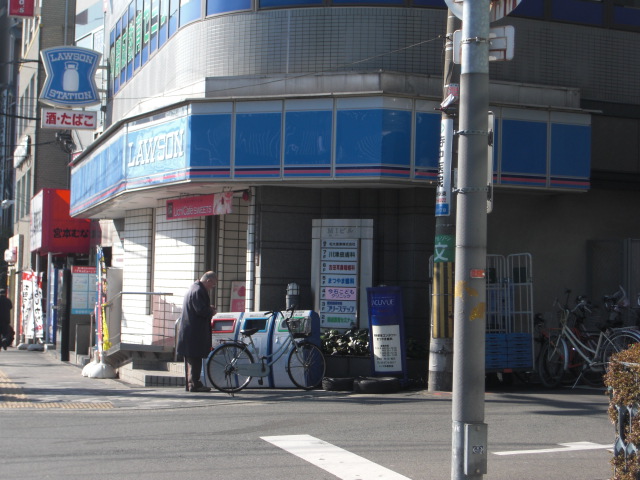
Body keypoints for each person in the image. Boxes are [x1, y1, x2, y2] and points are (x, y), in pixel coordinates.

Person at [177, 272, 217, 392]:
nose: (212, 287)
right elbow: (200, 310)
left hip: (189, 330)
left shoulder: (193, 288)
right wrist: (211, 311)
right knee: (195, 357)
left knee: (191, 358)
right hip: (195, 330)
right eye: (213, 284)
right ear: (208, 281)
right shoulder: (199, 291)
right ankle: (195, 384)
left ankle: (190, 383)